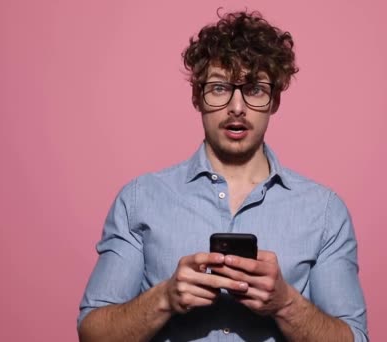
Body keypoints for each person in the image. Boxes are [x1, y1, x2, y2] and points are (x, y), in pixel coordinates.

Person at [78, 10, 368, 342]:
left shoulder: (325, 212)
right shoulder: (139, 199)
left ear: (274, 100)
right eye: (219, 88)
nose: (237, 107)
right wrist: (165, 298)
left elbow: (355, 338)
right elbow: (92, 334)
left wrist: (285, 303)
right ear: (196, 97)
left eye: (254, 89)